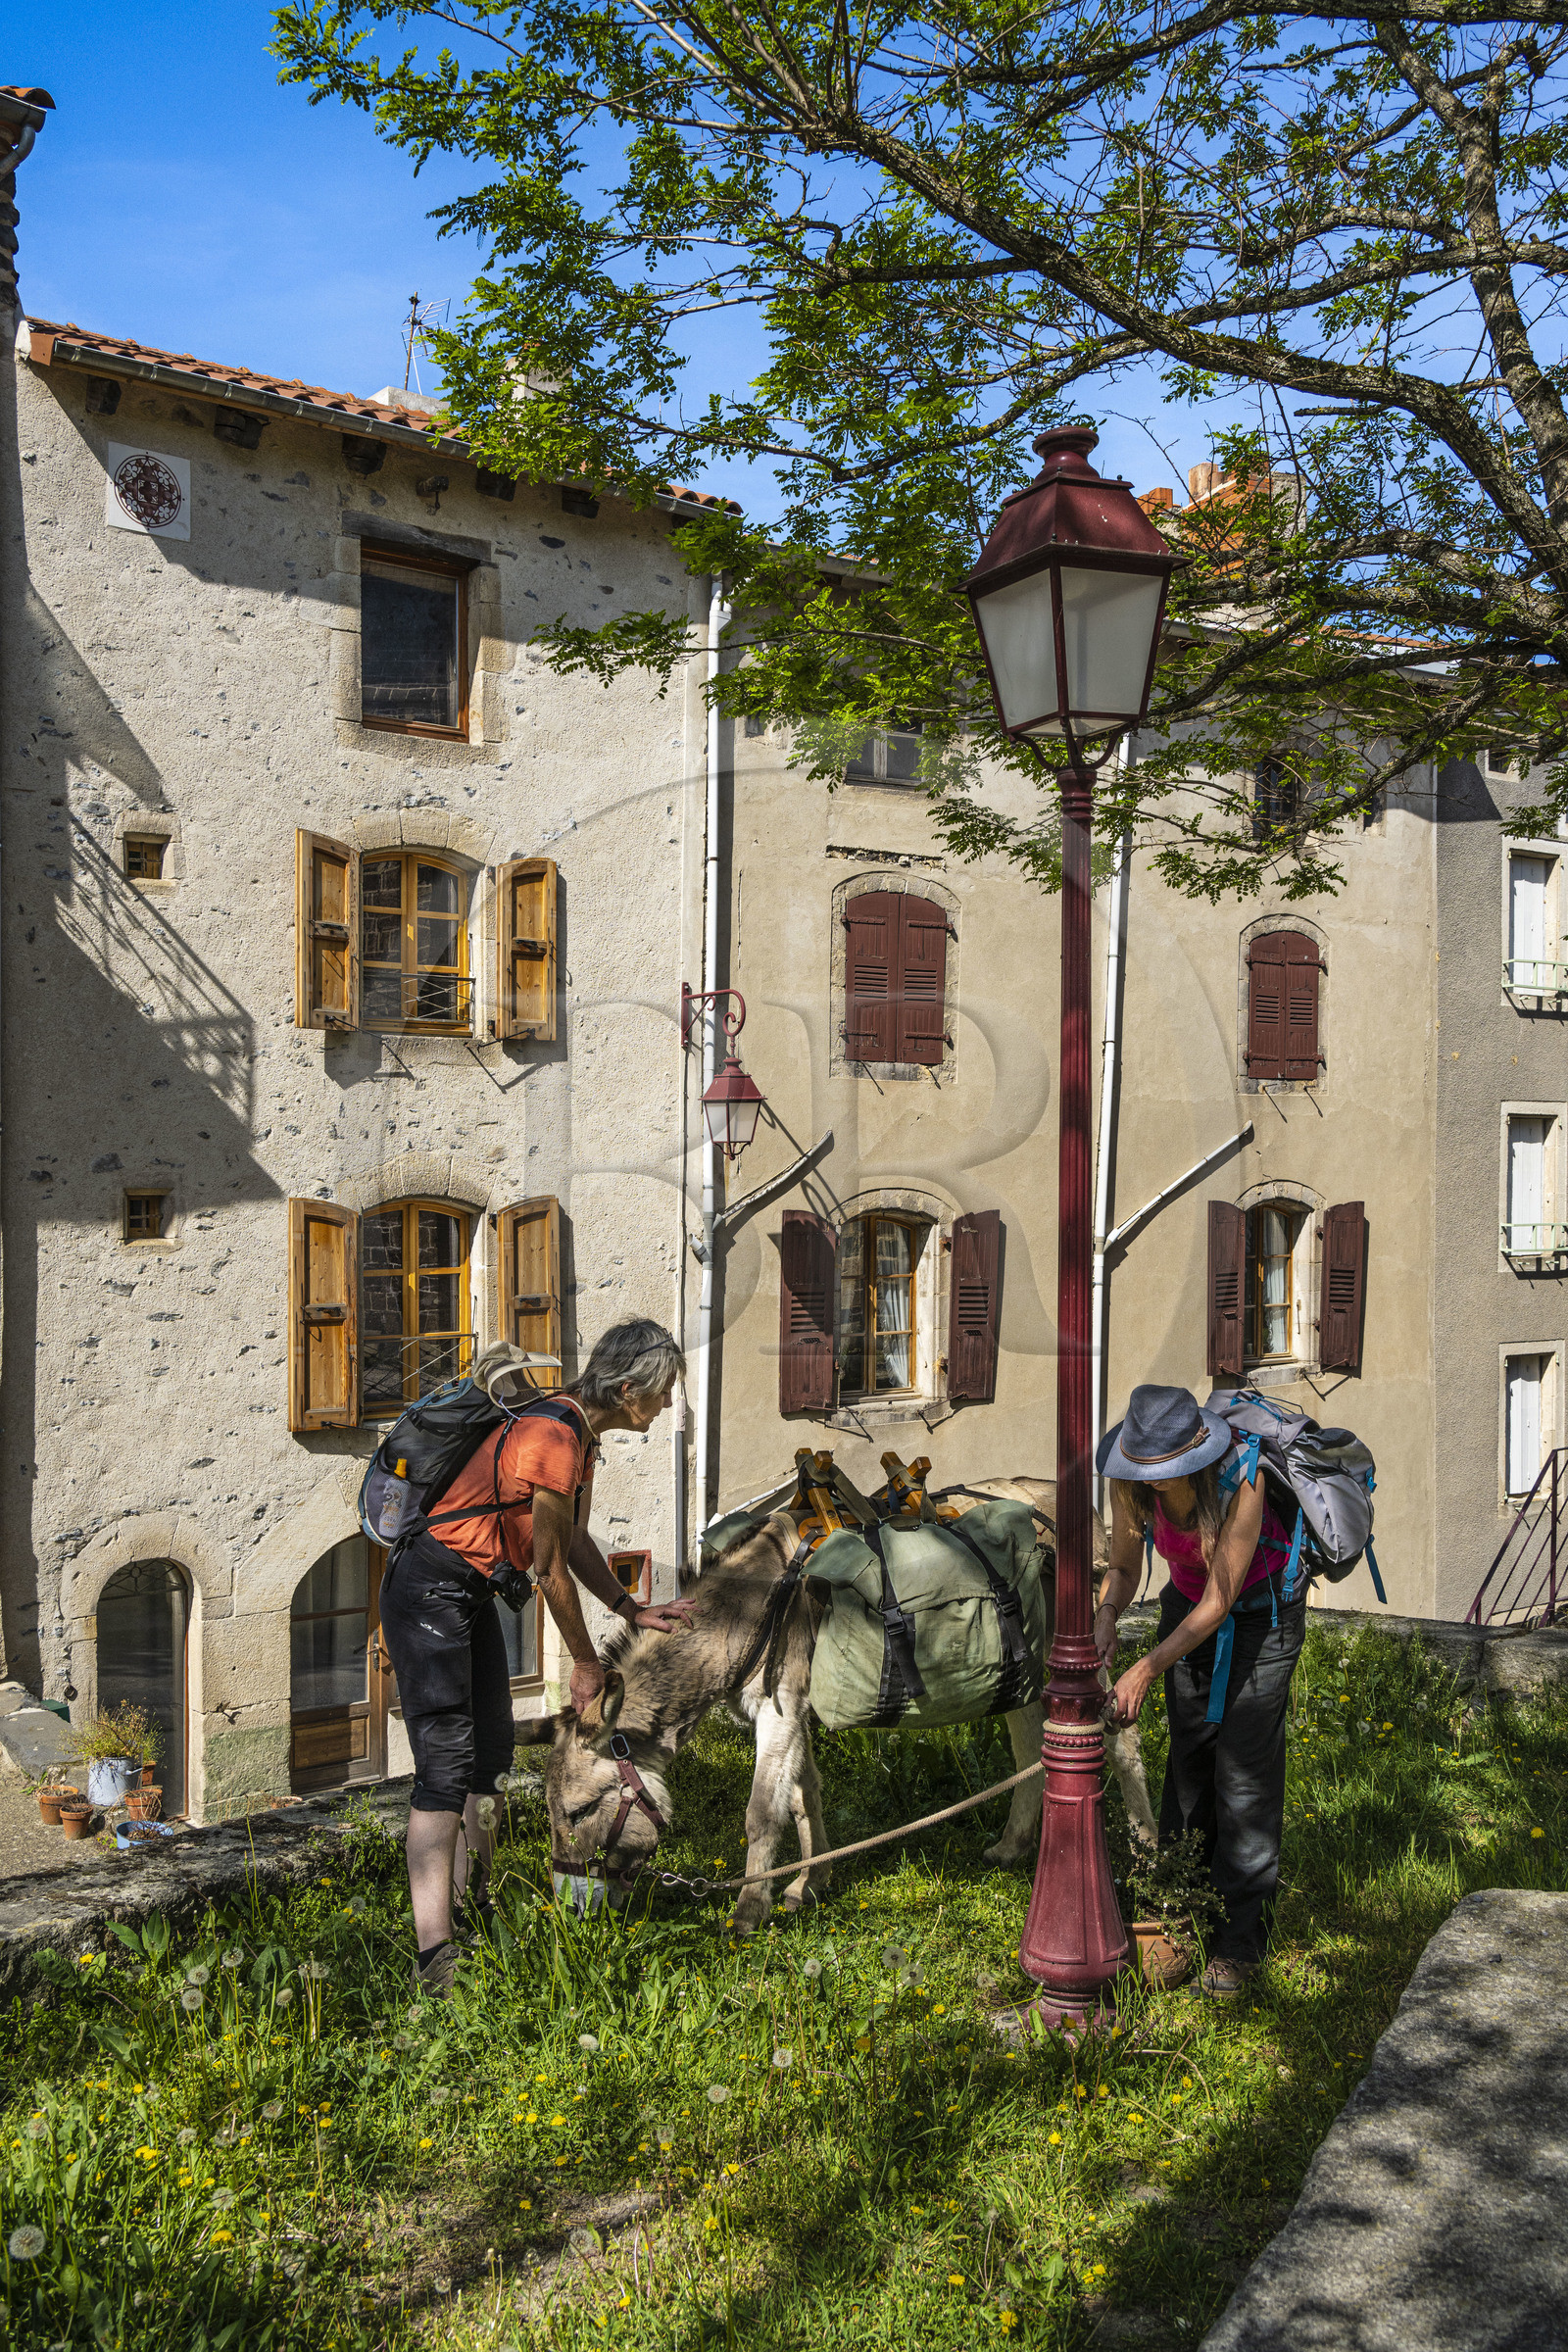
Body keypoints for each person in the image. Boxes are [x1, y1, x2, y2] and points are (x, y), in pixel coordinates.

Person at [378, 1318, 695, 1996]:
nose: (668, 1405)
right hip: (428, 1588)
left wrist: (629, 1609)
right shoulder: (555, 1435)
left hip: (469, 1590)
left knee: (488, 1759)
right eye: (664, 1392)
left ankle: (477, 1905)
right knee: (445, 1767)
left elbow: (570, 1536)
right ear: (629, 1387)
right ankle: (435, 1955)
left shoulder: (574, 1431)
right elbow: (549, 1569)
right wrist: (586, 1664)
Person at [1094, 1382, 1304, 1998]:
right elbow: (1126, 1568)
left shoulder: (1242, 1479)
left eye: (1164, 1472)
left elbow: (1221, 1600)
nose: (1151, 1481)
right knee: (1188, 1762)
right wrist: (1107, 1616)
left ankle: (1241, 1941)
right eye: (1144, 1470)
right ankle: (1179, 1913)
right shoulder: (1129, 1480)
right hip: (1184, 1607)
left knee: (1243, 1773)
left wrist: (1146, 1668)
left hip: (1261, 1616)